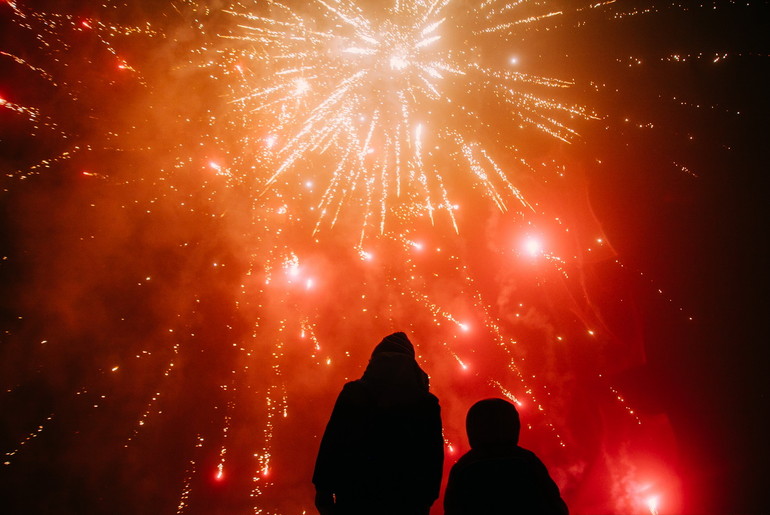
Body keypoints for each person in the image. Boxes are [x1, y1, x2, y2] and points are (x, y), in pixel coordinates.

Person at [312, 332, 443, 515]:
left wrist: (323, 488)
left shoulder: (354, 393)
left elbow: (332, 442)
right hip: (406, 502)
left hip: (355, 498)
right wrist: (426, 500)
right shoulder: (426, 404)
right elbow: (432, 458)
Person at [444, 398, 568, 515]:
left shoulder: (464, 466)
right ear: (514, 425)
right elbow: (555, 506)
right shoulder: (527, 461)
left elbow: (452, 508)